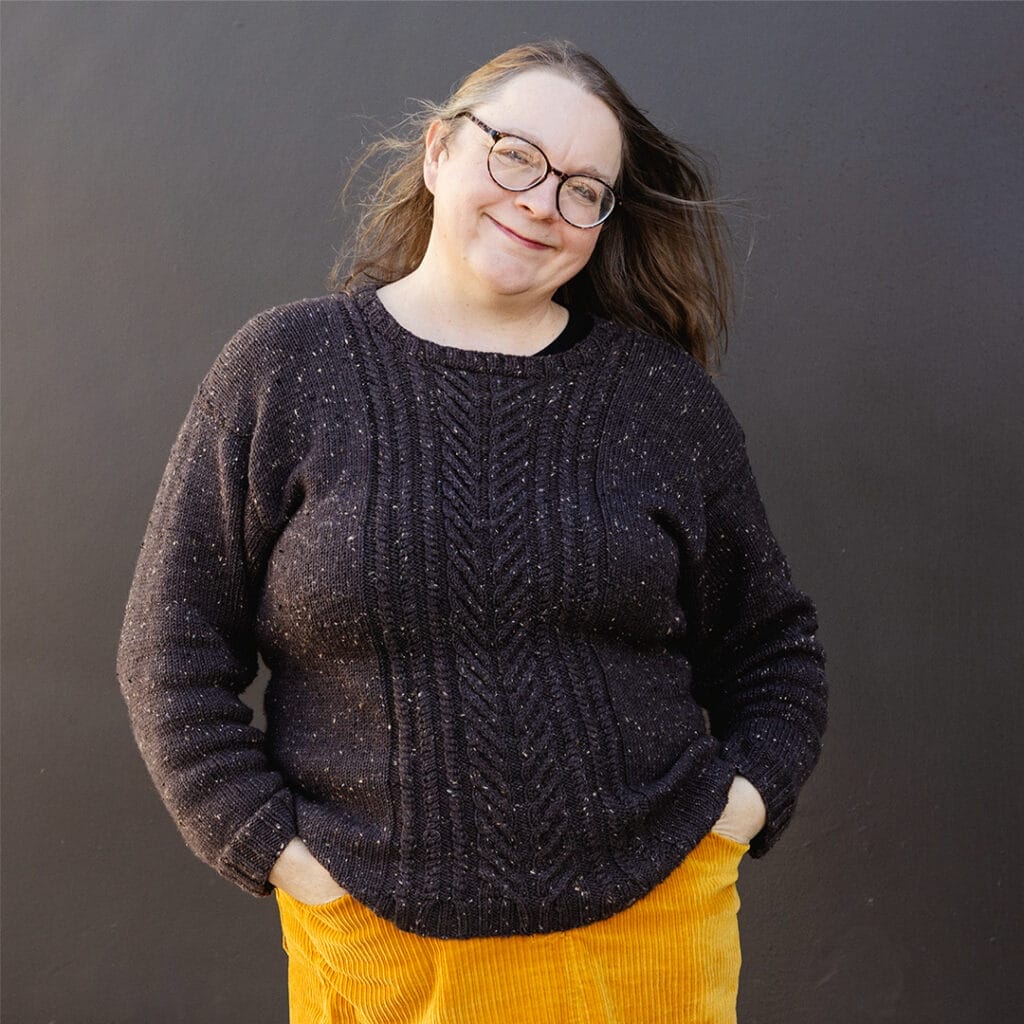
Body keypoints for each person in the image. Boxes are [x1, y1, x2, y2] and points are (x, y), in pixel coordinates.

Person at [117, 40, 827, 1024]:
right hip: (381, 949)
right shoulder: (286, 370)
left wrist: (735, 813)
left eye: (585, 189)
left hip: (649, 944)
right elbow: (170, 650)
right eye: (516, 156)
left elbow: (773, 649)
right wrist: (278, 852)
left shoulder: (659, 399)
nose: (543, 200)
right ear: (440, 152)